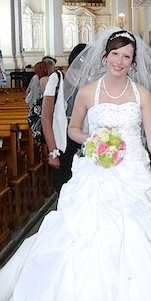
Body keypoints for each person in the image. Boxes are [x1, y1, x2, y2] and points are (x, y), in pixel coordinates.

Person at [0, 29, 151, 301]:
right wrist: (96, 141)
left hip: (132, 172)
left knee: (133, 231)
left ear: (133, 61)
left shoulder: (142, 93)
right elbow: (74, 129)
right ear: (105, 56)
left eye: (126, 56)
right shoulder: (89, 91)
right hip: (96, 170)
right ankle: (82, 299)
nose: (120, 61)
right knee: (85, 230)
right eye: (115, 54)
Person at [42, 43, 87, 191]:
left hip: (83, 140)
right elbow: (46, 118)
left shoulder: (88, 81)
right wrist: (52, 151)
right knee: (64, 188)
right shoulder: (57, 78)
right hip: (62, 141)